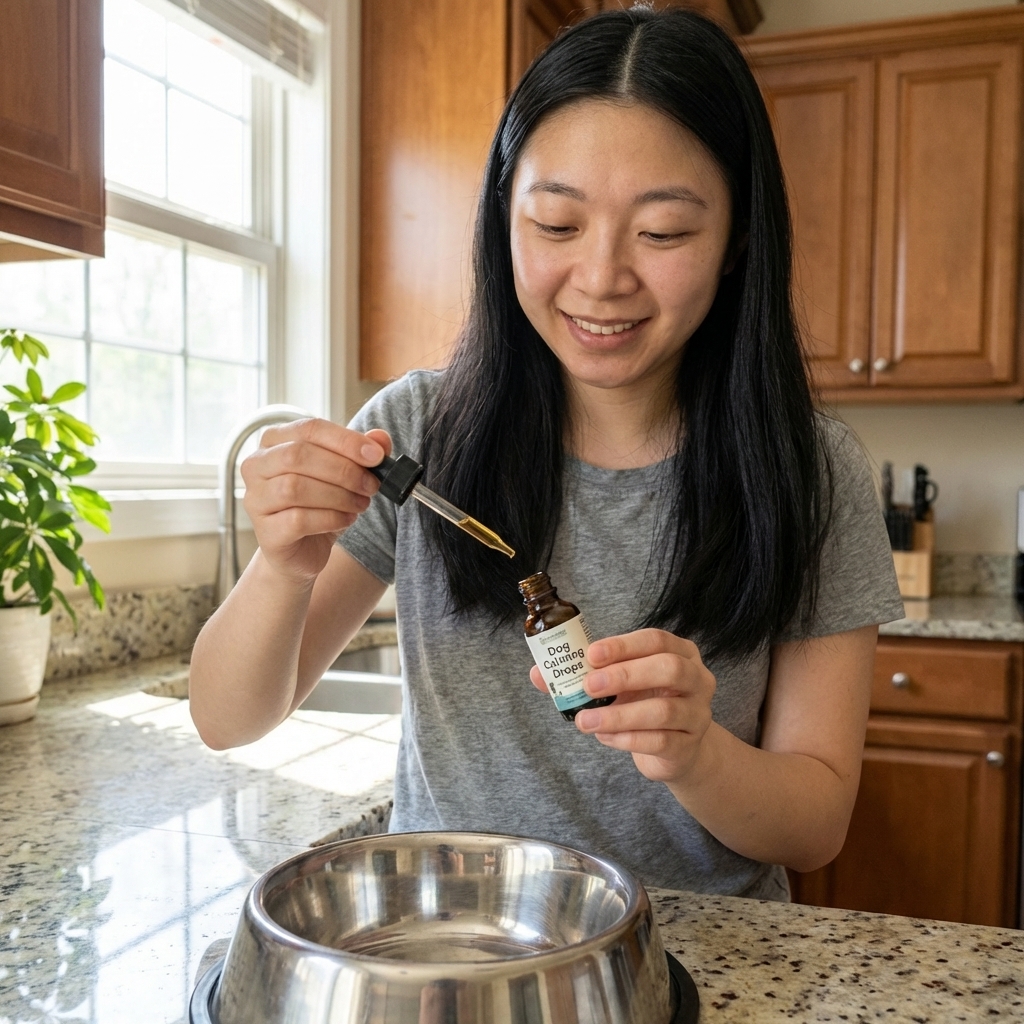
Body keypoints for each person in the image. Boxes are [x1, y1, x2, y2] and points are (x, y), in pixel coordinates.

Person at [189, 6, 904, 900]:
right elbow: (226, 718)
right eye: (558, 225)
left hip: (697, 954)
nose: (602, 278)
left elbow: (815, 827)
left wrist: (698, 751)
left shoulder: (810, 472)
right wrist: (282, 569)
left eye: (664, 233)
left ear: (737, 244)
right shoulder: (414, 432)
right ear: (503, 221)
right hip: (455, 944)